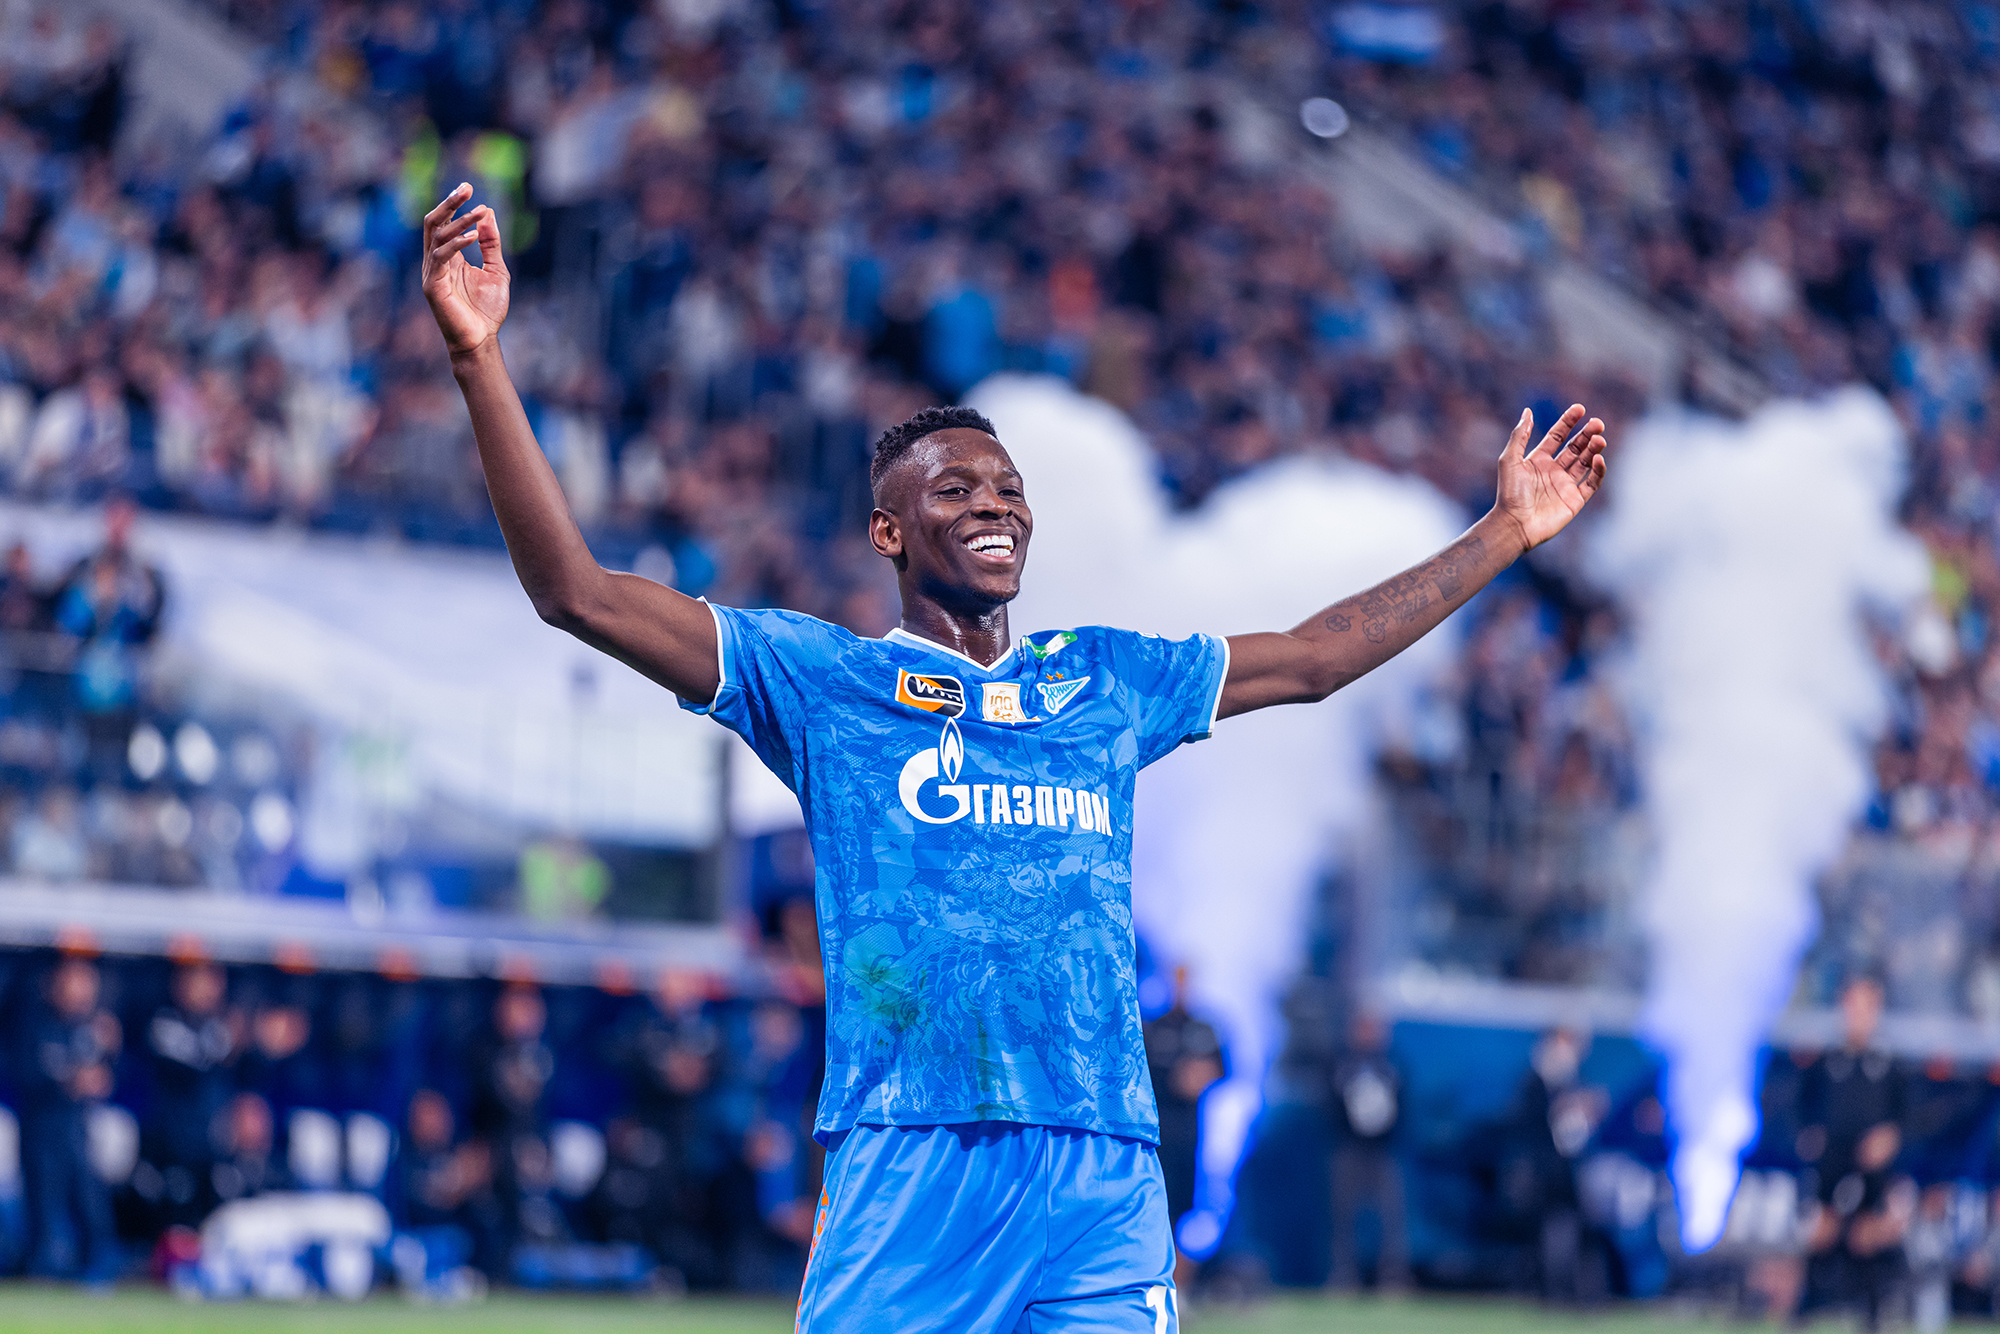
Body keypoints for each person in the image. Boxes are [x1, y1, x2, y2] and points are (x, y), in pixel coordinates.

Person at [419, 181, 1611, 1331]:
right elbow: (574, 592)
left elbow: (1310, 658)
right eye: (954, 488)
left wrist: (1502, 531)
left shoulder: (1102, 681)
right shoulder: (823, 680)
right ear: (887, 530)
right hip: (913, 1153)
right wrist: (479, 357)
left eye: (1007, 486)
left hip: (1101, 1163)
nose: (995, 503)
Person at [19, 956, 121, 1281]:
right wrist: (70, 1080)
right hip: (41, 1133)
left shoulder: (93, 1029)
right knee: (45, 1220)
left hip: (78, 1133)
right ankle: (42, 1273)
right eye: (73, 982)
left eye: (86, 984)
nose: (80, 992)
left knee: (92, 1209)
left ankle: (96, 1272)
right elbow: (25, 1073)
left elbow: (108, 1081)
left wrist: (110, 1055)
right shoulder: (35, 1024)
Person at [1142, 965, 1225, 1277]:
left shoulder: (1203, 1029)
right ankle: (1152, 1272)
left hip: (1190, 1137)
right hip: (1157, 1136)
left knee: (1185, 1206)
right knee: (1156, 1203)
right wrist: (1174, 1080)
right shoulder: (1153, 1029)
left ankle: (1180, 1277)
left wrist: (1201, 1075)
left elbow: (1223, 1068)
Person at [1325, 1012, 1407, 1292]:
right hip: (1349, 1149)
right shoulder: (1341, 1062)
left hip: (1382, 1151)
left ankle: (1392, 1276)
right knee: (1342, 1218)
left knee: (1392, 1217)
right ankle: (1344, 1276)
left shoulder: (1392, 1063)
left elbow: (1403, 1104)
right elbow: (1329, 1104)